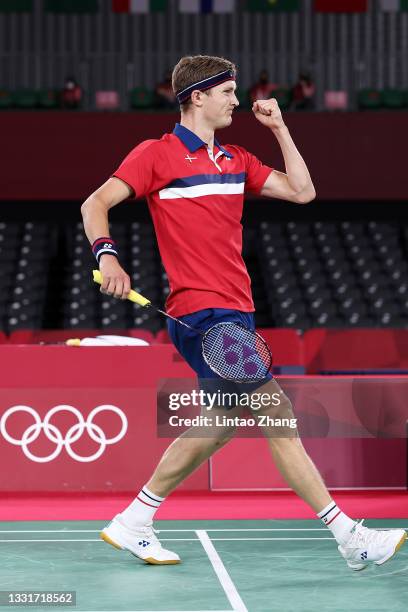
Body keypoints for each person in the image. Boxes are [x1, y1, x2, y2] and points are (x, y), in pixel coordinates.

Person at [81, 54, 406, 568]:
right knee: (279, 416)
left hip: (237, 311)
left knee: (224, 419)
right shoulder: (157, 155)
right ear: (196, 97)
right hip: (204, 312)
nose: (237, 100)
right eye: (228, 92)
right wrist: (108, 256)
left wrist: (280, 129)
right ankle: (350, 537)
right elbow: (94, 203)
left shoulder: (236, 159)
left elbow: (303, 191)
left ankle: (134, 520)